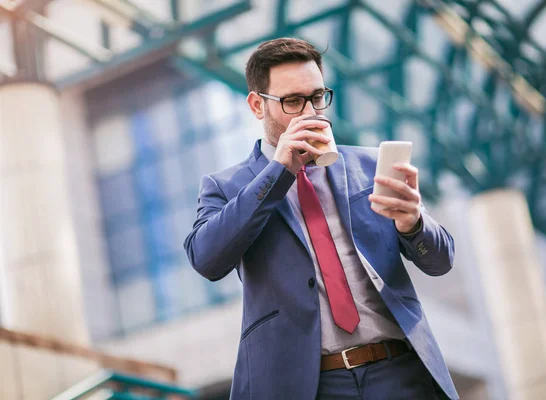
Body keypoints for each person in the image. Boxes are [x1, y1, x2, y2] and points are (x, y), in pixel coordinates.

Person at [184, 38, 458, 400]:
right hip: (307, 385)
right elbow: (206, 258)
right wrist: (278, 171)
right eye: (293, 101)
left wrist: (413, 223)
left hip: (399, 372)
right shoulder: (227, 186)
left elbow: (441, 261)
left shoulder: (370, 164)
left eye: (317, 98)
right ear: (256, 105)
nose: (310, 113)